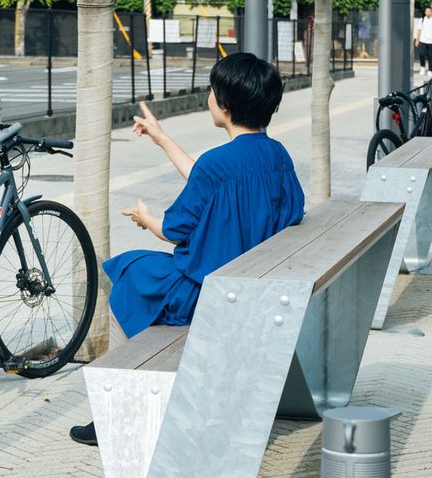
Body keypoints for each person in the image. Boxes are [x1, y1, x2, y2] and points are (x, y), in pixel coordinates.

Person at [70, 52, 305, 446]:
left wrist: (147, 219)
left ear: (225, 105)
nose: (209, 97)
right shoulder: (277, 155)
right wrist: (162, 138)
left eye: (213, 92)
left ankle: (116, 411)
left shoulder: (218, 165)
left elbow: (174, 230)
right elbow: (217, 182)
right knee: (136, 270)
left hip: (204, 294)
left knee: (126, 272)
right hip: (253, 287)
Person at [416, 6, 432, 70]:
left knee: (430, 56)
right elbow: (419, 30)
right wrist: (417, 40)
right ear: (425, 12)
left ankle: (430, 69)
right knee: (421, 54)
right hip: (422, 40)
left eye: (429, 11)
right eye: (427, 11)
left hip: (431, 41)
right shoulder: (421, 20)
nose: (428, 12)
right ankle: (422, 67)